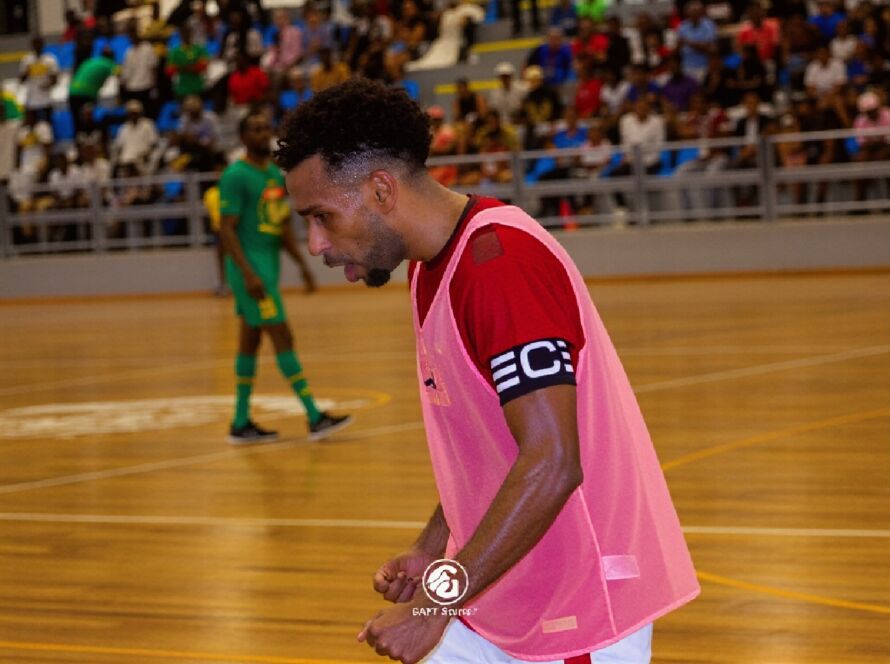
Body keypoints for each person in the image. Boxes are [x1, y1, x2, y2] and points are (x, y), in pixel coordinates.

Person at [275, 78, 698, 664]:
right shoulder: (432, 266)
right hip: (503, 596)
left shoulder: (499, 266)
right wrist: (432, 548)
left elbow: (552, 462)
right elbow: (490, 447)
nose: (316, 243)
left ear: (380, 189)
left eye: (321, 216)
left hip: (574, 612)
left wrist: (432, 607)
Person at [218, 110, 351, 443]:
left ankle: (240, 422)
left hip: (268, 269)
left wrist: (301, 265)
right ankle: (314, 416)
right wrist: (248, 274)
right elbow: (226, 230)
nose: (263, 133)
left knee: (250, 342)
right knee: (283, 337)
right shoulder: (235, 176)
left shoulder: (273, 176)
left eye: (265, 127)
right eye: (255, 129)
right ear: (243, 137)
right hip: (252, 273)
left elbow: (280, 227)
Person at [19, 36, 59, 123]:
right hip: (31, 99)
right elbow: (21, 80)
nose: (37, 46)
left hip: (47, 99)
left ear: (43, 44)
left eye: (39, 43)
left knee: (48, 124)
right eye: (35, 44)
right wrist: (26, 72)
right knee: (31, 124)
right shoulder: (26, 60)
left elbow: (55, 79)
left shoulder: (50, 59)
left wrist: (48, 85)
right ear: (32, 45)